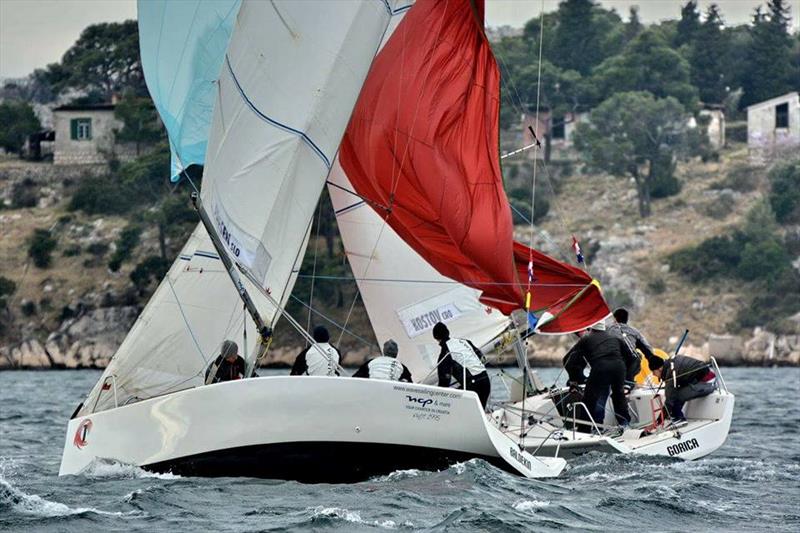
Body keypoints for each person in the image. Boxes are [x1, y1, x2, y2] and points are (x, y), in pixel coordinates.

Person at [563, 321, 631, 427]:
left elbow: (570, 362)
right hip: (619, 367)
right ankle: (625, 424)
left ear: (590, 328)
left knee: (589, 400)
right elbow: (632, 357)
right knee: (618, 395)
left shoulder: (586, 339)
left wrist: (573, 381)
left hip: (600, 368)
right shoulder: (615, 337)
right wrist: (628, 376)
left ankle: (584, 430)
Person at [432, 322, 491, 408]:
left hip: (473, 387)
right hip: (485, 380)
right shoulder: (464, 341)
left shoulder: (445, 354)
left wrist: (437, 400)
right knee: (479, 412)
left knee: (459, 409)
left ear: (436, 338)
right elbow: (482, 358)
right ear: (448, 332)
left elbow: (444, 382)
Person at [648, 354, 716, 422]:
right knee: (674, 392)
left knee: (675, 396)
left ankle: (679, 418)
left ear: (660, 368)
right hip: (700, 377)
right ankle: (674, 415)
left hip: (707, 382)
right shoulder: (670, 363)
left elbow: (669, 400)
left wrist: (660, 420)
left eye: (653, 371)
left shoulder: (671, 374)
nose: (653, 374)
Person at [607, 307, 655, 384]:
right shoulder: (634, 331)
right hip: (629, 364)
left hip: (610, 363)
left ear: (615, 319)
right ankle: (629, 382)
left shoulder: (608, 330)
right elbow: (648, 348)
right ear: (627, 319)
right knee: (637, 356)